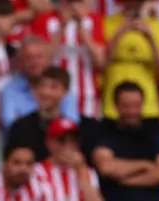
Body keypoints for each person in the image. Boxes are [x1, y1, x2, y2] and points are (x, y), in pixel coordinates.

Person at [30, 0, 106, 152]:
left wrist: (81, 29)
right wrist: (62, 28)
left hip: (87, 98)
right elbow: (42, 62)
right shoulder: (44, 20)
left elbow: (101, 61)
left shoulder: (95, 20)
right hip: (54, 98)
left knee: (85, 145)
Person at [103, 0, 159, 122]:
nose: (133, 5)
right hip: (114, 105)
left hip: (148, 106)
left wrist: (150, 38)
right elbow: (102, 64)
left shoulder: (155, 25)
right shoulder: (108, 23)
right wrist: (120, 32)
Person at [0, 37, 79, 131]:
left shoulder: (61, 86)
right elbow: (11, 126)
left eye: (39, 57)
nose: (34, 62)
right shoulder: (10, 91)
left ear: (49, 59)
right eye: (29, 57)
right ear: (20, 62)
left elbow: (72, 123)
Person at [7, 67, 72, 162]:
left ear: (65, 92)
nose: (46, 92)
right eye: (42, 86)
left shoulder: (70, 129)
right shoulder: (21, 127)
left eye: (54, 87)